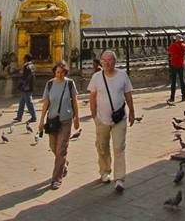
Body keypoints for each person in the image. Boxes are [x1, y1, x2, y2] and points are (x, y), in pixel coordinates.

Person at [88, 49, 135, 193]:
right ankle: (105, 171)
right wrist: (94, 115)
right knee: (102, 146)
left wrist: (132, 112)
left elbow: (128, 94)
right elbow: (92, 97)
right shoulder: (96, 77)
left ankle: (119, 178)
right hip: (101, 119)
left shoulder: (122, 76)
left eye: (111, 60)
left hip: (119, 118)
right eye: (105, 60)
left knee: (119, 147)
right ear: (101, 62)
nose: (108, 63)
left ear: (115, 61)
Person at [38, 60, 81, 190]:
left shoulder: (69, 83)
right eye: (57, 72)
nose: (59, 74)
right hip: (52, 120)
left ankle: (56, 178)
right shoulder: (50, 84)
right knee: (53, 146)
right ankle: (63, 163)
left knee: (61, 149)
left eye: (62, 72)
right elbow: (46, 103)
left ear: (65, 72)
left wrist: (77, 118)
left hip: (66, 120)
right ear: (54, 72)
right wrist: (41, 120)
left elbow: (75, 102)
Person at [14, 53, 37, 123]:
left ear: (26, 59)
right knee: (22, 102)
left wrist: (22, 84)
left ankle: (34, 117)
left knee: (29, 102)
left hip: (26, 86)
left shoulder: (27, 66)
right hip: (30, 85)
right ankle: (19, 116)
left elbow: (26, 77)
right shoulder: (32, 66)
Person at [166, 34, 185, 104]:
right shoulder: (184, 45)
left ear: (176, 39)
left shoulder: (174, 45)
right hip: (181, 64)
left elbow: (168, 51)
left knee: (173, 81)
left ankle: (172, 97)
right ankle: (183, 96)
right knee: (182, 80)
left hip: (174, 64)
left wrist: (173, 43)